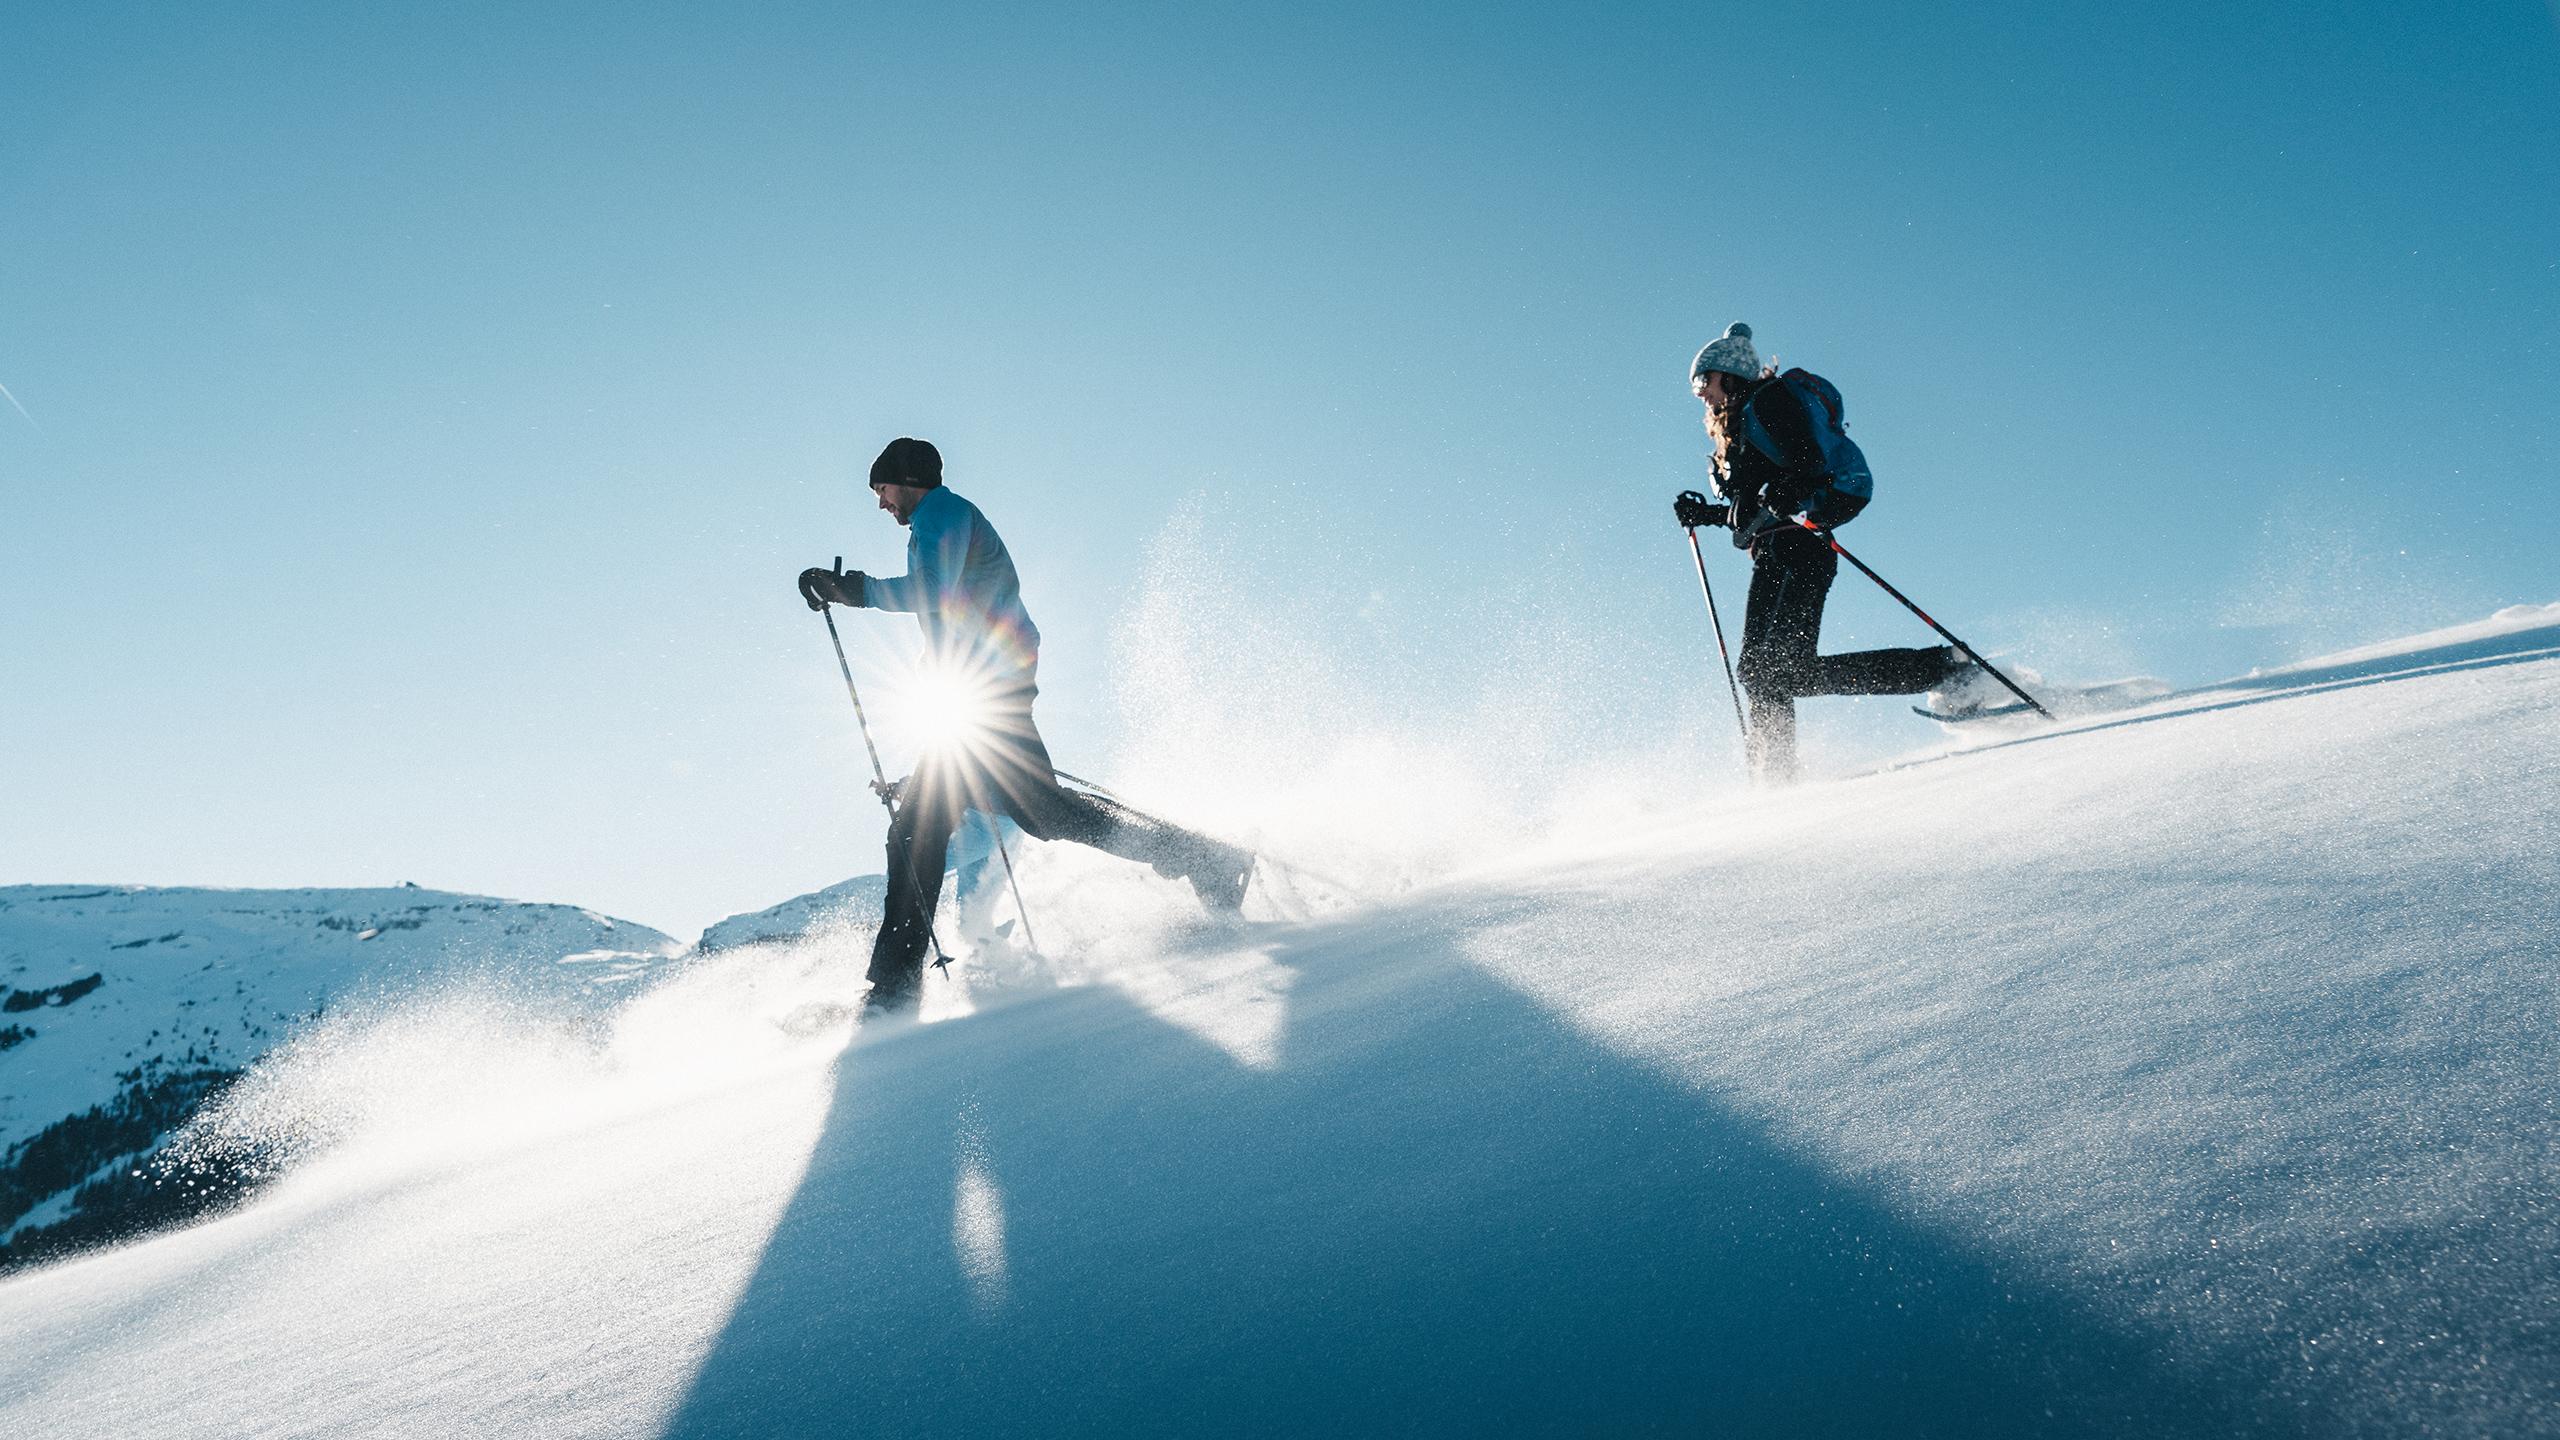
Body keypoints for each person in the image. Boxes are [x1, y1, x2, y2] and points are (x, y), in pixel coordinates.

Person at [799, 437, 1252, 1013]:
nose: (881, 504)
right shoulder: (937, 523)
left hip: (987, 689)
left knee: (925, 828)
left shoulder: (941, 513)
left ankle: (893, 988)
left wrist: (852, 589)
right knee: (1037, 813)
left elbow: (934, 594)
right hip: (981, 688)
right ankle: (1204, 859)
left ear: (907, 479)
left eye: (882, 490)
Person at [1672, 323, 1974, 782]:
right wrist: (1708, 516)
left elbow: (1806, 462)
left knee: (1783, 672)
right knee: (1758, 673)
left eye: (1703, 381)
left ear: (1729, 375)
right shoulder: (1740, 424)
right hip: (1772, 552)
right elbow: (1756, 507)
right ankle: (1776, 774)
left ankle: (1944, 668)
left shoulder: (1769, 402)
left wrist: (1784, 494)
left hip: (1802, 550)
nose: (1699, 393)